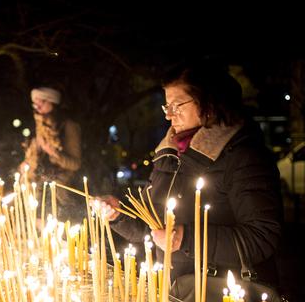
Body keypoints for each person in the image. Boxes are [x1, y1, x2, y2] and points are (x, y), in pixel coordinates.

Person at [99, 60, 282, 288]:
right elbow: (153, 227)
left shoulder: (243, 157)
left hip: (223, 299)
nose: (169, 116)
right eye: (167, 107)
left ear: (210, 102)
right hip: (177, 292)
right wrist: (120, 214)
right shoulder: (169, 154)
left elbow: (261, 237)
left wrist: (185, 238)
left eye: (177, 105)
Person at [19, 86, 82, 219]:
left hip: (61, 191)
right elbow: (36, 154)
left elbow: (75, 164)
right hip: (41, 184)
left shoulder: (68, 126)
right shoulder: (39, 124)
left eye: (41, 102)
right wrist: (27, 162)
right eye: (35, 103)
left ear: (52, 102)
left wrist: (54, 153)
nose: (37, 107)